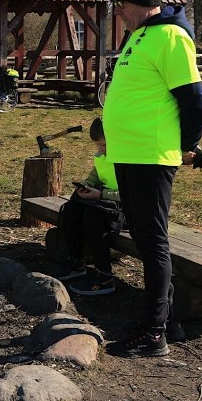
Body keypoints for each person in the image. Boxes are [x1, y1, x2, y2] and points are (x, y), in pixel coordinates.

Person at [102, 0, 202, 358]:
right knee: (145, 239)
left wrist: (188, 145)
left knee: (152, 242)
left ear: (137, 3)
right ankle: (170, 319)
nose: (119, 15)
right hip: (129, 154)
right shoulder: (140, 35)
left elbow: (196, 101)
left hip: (151, 156)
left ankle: (154, 333)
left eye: (121, 7)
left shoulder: (171, 37)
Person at [55, 117, 124, 296]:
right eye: (98, 146)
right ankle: (77, 261)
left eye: (104, 145)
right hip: (106, 202)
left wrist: (100, 195)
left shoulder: (131, 161)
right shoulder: (102, 156)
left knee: (94, 217)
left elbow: (133, 196)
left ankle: (104, 275)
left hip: (128, 211)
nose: (100, 150)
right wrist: (85, 186)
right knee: (71, 209)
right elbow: (96, 176)